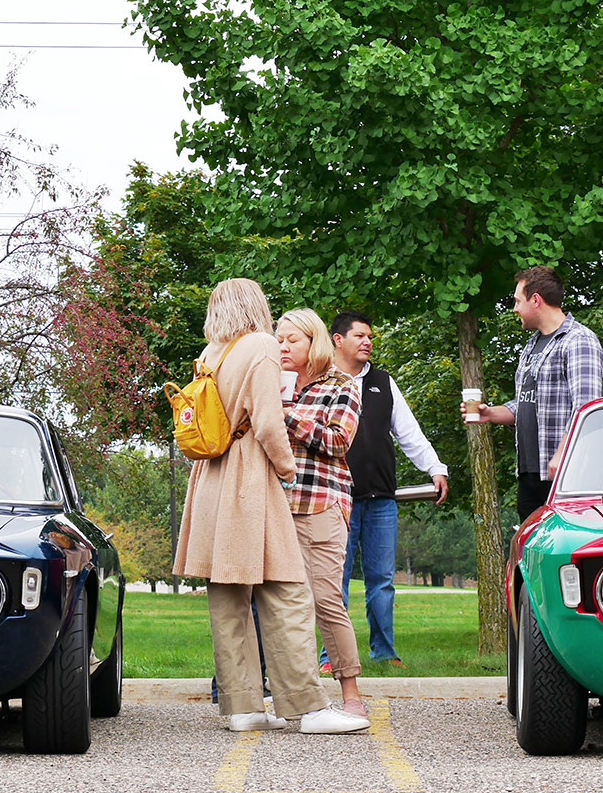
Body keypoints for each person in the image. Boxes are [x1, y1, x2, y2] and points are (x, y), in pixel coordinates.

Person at [174, 278, 369, 735]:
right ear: (254, 305)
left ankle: (241, 706)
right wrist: (286, 470)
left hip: (212, 479)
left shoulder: (212, 352)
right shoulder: (259, 345)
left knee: (228, 594)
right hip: (248, 477)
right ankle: (307, 707)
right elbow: (265, 419)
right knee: (288, 591)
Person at [328, 310, 448, 668]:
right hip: (335, 500)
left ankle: (383, 652)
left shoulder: (382, 381)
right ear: (338, 340)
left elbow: (409, 433)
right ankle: (331, 656)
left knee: (381, 581)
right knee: (335, 582)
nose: (367, 342)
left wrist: (435, 468)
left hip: (381, 500)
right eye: (359, 336)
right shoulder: (322, 380)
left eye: (370, 337)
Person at [277, 308, 370, 721]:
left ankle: (351, 694)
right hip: (275, 507)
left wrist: (284, 414)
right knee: (281, 604)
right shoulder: (270, 383)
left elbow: (337, 441)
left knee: (326, 599)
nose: (282, 346)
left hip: (320, 505)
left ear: (313, 341)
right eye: (278, 339)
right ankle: (295, 698)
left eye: (291, 340)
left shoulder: (342, 385)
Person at [465, 266, 603, 521]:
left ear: (536, 300)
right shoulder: (533, 345)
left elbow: (587, 407)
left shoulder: (578, 340)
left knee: (565, 554)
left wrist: (564, 453)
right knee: (529, 556)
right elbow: (527, 402)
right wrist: (490, 414)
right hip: (531, 473)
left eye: (518, 301)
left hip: (565, 475)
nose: (515, 308)